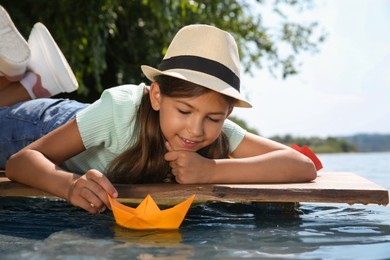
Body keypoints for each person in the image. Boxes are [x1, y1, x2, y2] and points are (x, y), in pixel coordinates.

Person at [0, 6, 317, 215]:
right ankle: (24, 83)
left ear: (228, 114)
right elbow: (21, 162)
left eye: (213, 118)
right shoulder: (120, 109)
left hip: (86, 120)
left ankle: (31, 82)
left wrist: (213, 171)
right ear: (156, 96)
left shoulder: (214, 129)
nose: (196, 129)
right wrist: (69, 185)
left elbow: (301, 165)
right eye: (184, 110)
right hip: (39, 125)